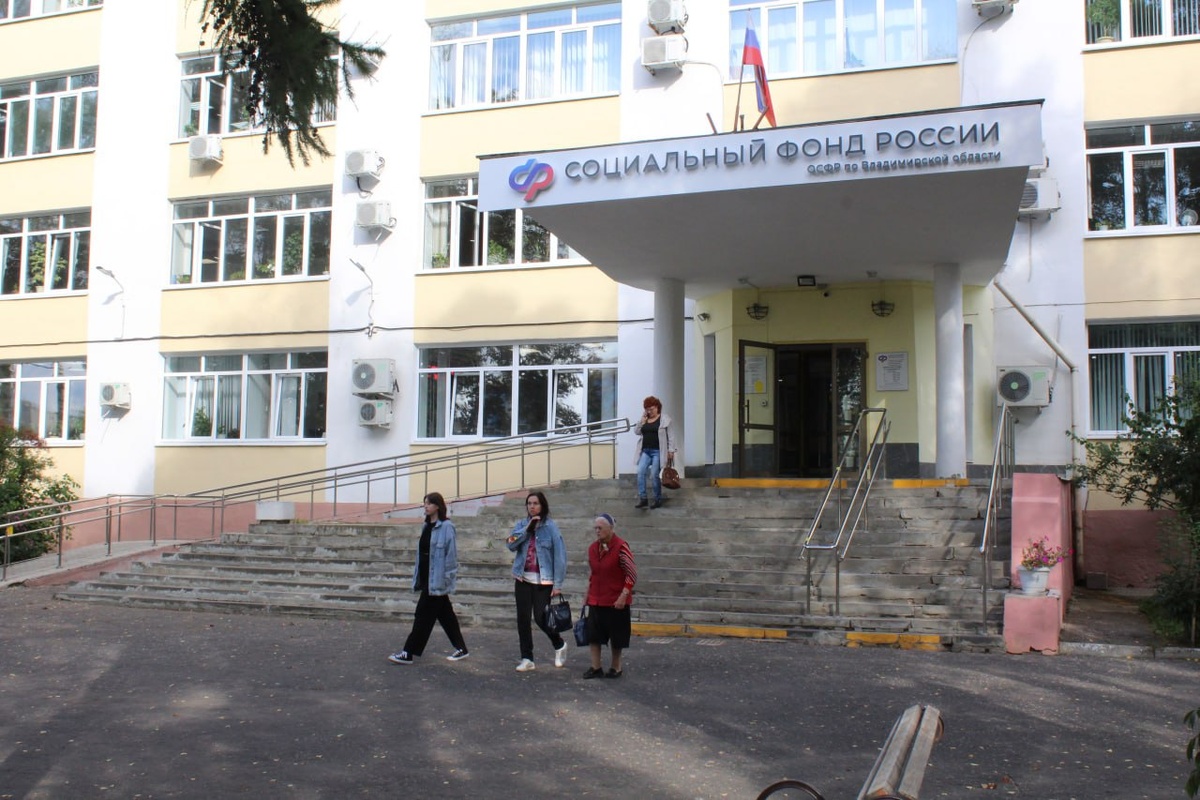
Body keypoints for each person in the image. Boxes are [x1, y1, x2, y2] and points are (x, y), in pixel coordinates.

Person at [388, 492, 469, 665]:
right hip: (426, 578)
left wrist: (447, 579)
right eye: (424, 503)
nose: (425, 506)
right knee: (446, 615)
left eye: (429, 503)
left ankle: (408, 652)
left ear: (437, 506)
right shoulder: (426, 526)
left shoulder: (447, 527)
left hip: (437, 580)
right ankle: (461, 648)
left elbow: (451, 556)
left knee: (422, 616)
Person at [505, 490, 568, 672]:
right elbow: (510, 544)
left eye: (535, 503)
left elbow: (560, 557)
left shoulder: (551, 527)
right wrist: (527, 529)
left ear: (542, 506)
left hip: (543, 581)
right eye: (529, 503)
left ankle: (559, 644)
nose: (532, 507)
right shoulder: (522, 525)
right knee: (523, 619)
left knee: (541, 618)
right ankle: (527, 658)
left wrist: (558, 584)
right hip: (522, 578)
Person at [582, 513, 637, 679]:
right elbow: (593, 574)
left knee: (616, 636)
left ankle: (616, 666)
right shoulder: (593, 548)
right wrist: (587, 595)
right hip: (596, 598)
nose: (597, 531)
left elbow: (631, 574)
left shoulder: (621, 547)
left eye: (600, 528)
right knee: (594, 635)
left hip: (615, 600)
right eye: (596, 528)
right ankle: (595, 666)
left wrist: (624, 595)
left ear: (611, 528)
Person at [633, 395, 675, 510]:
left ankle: (657, 499)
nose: (649, 411)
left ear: (657, 407)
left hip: (658, 451)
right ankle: (643, 498)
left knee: (654, 474)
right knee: (640, 472)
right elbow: (636, 432)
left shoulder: (665, 419)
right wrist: (641, 422)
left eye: (651, 409)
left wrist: (671, 450)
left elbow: (671, 436)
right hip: (645, 451)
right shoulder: (645, 420)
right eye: (647, 409)